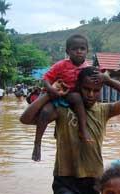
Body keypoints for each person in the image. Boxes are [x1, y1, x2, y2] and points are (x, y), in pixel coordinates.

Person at [20, 66, 120, 194]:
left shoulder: (104, 110)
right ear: (78, 87)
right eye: (86, 89)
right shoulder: (62, 110)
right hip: (65, 180)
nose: (91, 95)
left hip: (93, 180)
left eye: (96, 90)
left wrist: (109, 81)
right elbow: (26, 119)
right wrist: (50, 94)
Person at [32, 34, 91, 162]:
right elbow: (46, 78)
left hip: (72, 97)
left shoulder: (88, 68)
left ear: (87, 51)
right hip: (56, 95)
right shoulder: (61, 65)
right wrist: (51, 89)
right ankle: (37, 143)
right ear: (67, 51)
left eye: (82, 48)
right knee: (45, 112)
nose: (79, 51)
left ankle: (83, 129)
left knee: (76, 97)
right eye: (75, 49)